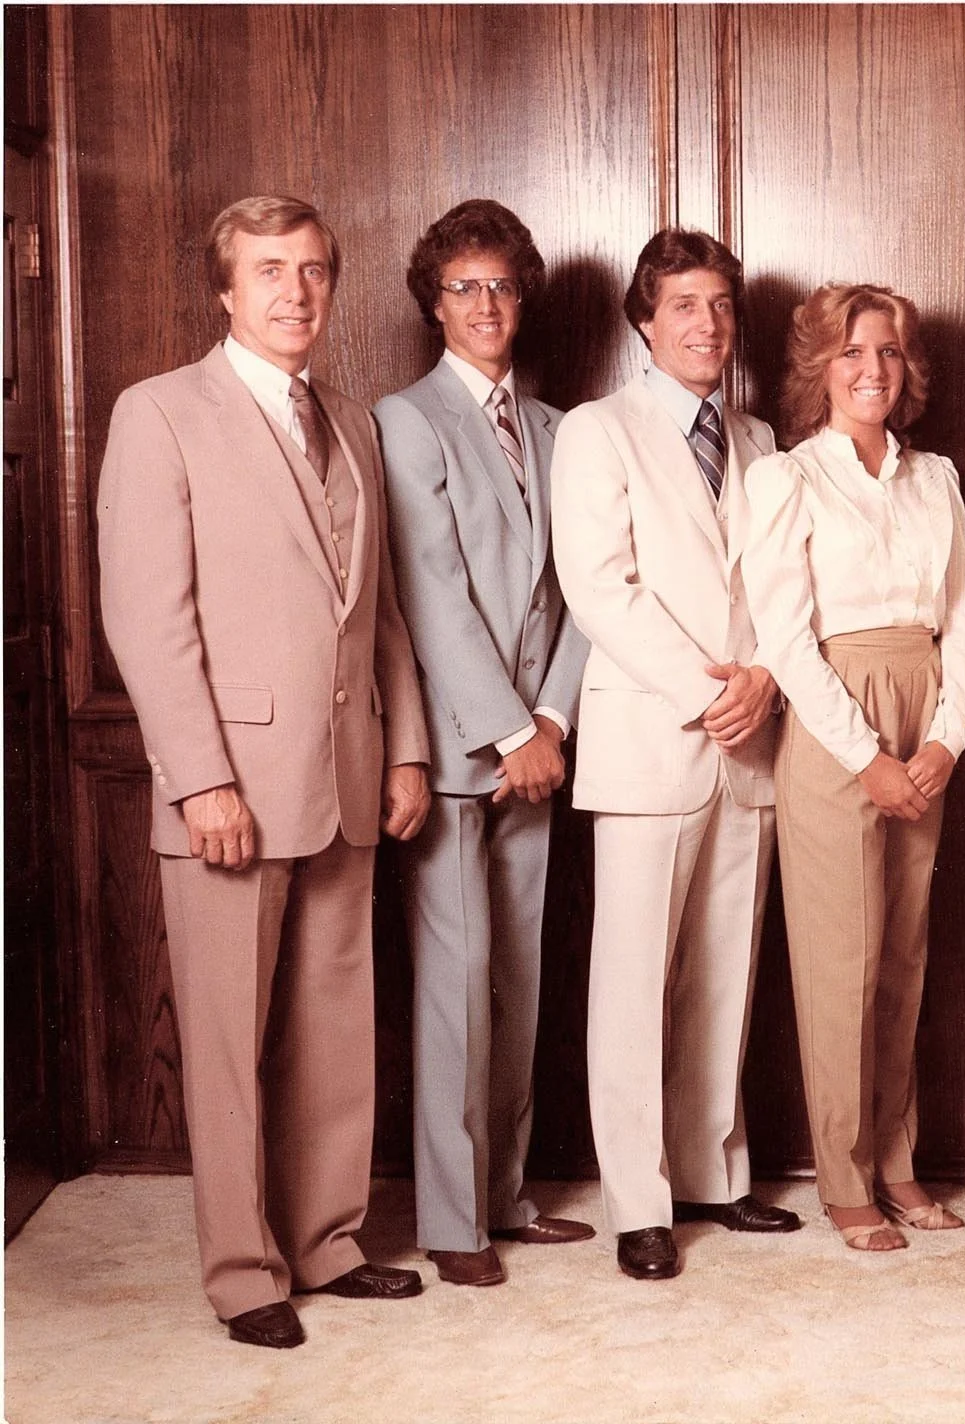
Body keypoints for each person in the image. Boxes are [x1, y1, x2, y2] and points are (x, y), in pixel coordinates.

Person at [95, 196, 431, 1347]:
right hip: (230, 783)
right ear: (225, 290)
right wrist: (200, 781)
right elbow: (148, 618)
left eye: (315, 269)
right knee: (230, 1045)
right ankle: (244, 1272)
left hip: (345, 773)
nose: (297, 290)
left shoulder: (351, 421)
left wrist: (404, 746)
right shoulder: (161, 412)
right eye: (271, 270)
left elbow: (380, 612)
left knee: (334, 1029)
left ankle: (327, 1241)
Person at [549, 228, 799, 1282]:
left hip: (751, 741)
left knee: (724, 966)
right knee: (632, 978)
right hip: (655, 737)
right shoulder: (598, 431)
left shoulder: (759, 437)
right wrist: (713, 693)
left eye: (721, 305)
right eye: (684, 305)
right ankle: (638, 1201)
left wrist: (765, 678)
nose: (707, 323)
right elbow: (599, 588)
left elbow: (784, 584)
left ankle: (712, 1169)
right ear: (645, 322)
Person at [375, 200, 594, 1289]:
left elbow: (583, 589)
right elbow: (431, 591)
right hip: (464, 754)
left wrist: (552, 721)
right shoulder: (407, 419)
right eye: (463, 287)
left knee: (517, 985)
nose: (485, 304)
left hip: (536, 753)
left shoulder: (557, 428)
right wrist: (511, 728)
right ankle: (453, 1220)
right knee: (456, 992)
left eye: (501, 285)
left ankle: (506, 1195)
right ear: (434, 303)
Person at [741, 283, 965, 1251]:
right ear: (820, 369)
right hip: (837, 714)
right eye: (850, 352)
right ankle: (844, 1177)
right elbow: (785, 639)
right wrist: (868, 757)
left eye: (886, 351)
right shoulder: (788, 478)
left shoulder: (938, 478)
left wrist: (947, 740)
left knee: (904, 959)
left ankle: (897, 1160)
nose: (871, 369)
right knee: (843, 961)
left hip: (926, 706)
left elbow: (964, 616)